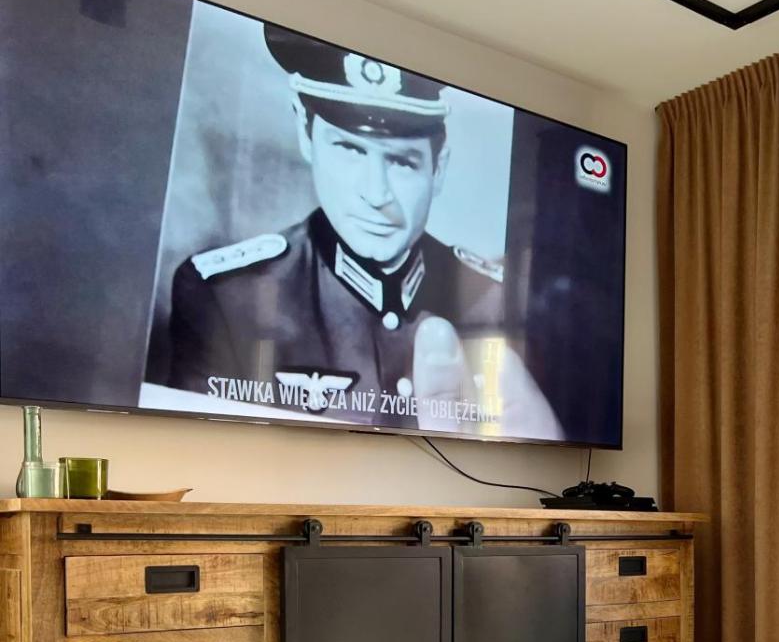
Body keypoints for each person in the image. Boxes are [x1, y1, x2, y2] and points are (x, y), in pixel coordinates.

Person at [158, 25, 561, 438]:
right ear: (306, 135)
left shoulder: (495, 302)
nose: (376, 193)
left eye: (402, 162)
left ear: (438, 168)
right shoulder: (229, 296)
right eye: (349, 149)